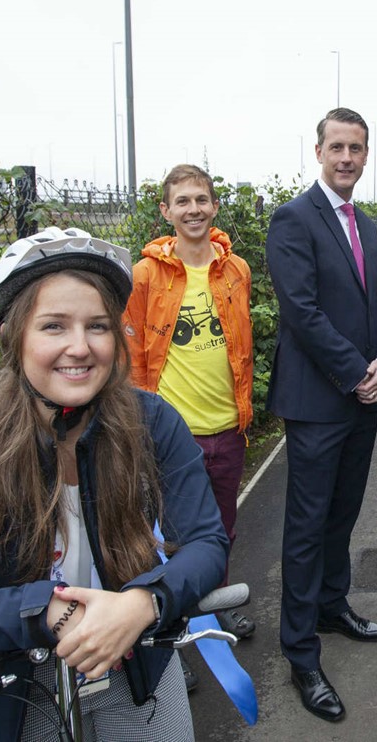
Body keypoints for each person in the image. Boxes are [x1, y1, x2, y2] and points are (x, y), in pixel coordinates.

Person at [0, 227, 229, 741]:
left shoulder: (152, 423)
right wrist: (42, 610)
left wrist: (144, 602)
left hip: (136, 662)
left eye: (98, 326)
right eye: (54, 326)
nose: (79, 348)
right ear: (15, 337)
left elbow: (206, 542)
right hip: (16, 690)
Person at [265, 108, 377, 723]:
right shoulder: (293, 219)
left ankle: (332, 605)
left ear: (367, 156)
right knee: (307, 525)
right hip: (318, 403)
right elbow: (302, 312)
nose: (347, 157)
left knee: (343, 513)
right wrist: (355, 371)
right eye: (337, 147)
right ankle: (300, 652)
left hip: (362, 396)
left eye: (357, 148)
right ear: (318, 151)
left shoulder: (365, 225)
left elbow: (376, 304)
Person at [124, 164, 256, 643]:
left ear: (214, 206)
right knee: (168, 538)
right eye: (182, 201)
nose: (193, 209)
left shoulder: (235, 270)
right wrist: (142, 425)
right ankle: (172, 629)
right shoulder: (144, 276)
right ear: (166, 211)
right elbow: (134, 357)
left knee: (221, 531)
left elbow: (241, 346)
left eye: (201, 199)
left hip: (228, 427)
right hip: (172, 436)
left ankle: (215, 610)